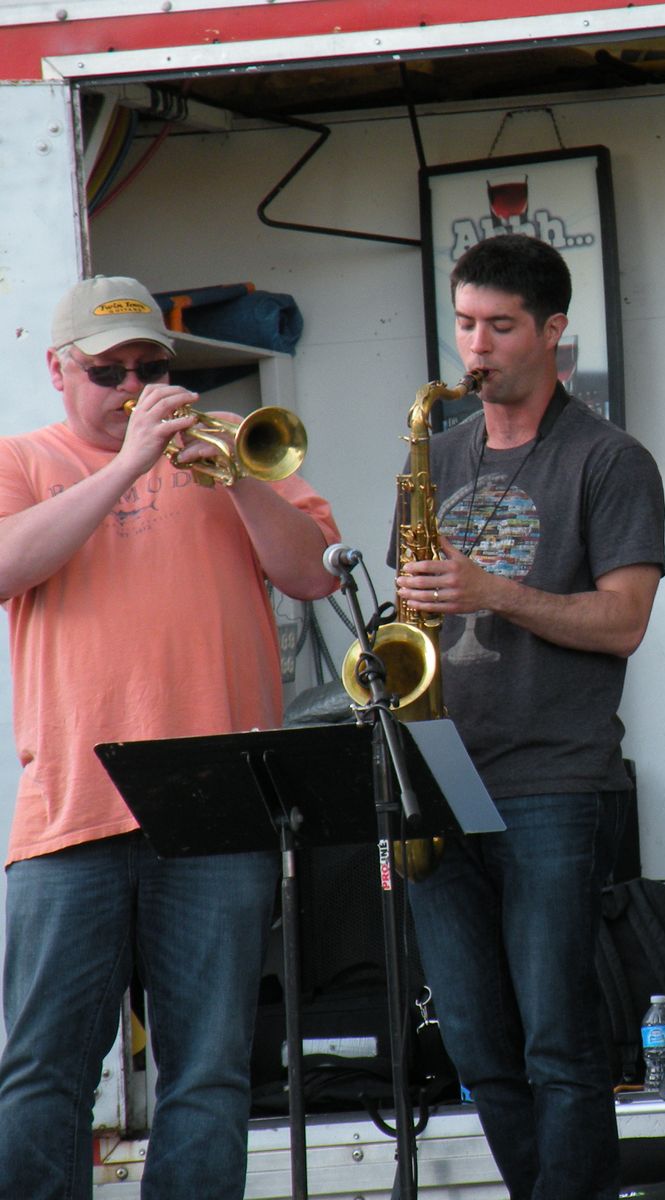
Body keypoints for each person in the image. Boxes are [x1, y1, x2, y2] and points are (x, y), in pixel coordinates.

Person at [0, 275, 341, 1198]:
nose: (132, 387)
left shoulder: (230, 446)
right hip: (74, 806)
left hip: (217, 806)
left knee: (211, 1072)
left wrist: (236, 480)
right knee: (43, 1071)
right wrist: (126, 465)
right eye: (108, 371)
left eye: (150, 369)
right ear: (58, 371)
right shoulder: (21, 458)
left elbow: (315, 576)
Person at [391, 233, 665, 1200]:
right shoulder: (436, 452)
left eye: (501, 326)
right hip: (438, 774)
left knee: (558, 1040)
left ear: (554, 332)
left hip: (552, 775)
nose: (476, 346)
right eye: (466, 324)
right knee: (478, 1045)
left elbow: (624, 621)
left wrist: (491, 591)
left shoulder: (609, 459)